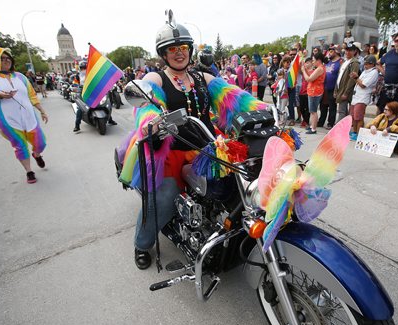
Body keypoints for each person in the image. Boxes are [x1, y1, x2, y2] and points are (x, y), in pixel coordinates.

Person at [117, 13, 269, 269]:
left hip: (209, 145)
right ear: (163, 54)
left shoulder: (202, 78)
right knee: (164, 197)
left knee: (247, 178)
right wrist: (152, 121)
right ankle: (142, 243)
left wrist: (263, 112)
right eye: (172, 49)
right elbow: (147, 100)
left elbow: (237, 99)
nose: (179, 53)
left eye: (183, 48)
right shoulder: (157, 78)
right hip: (172, 149)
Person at [0, 46, 48, 183]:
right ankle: (29, 171)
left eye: (8, 58)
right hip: (7, 119)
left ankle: (37, 154)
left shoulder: (20, 77)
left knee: (41, 142)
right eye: (2, 58)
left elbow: (32, 96)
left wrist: (42, 111)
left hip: (29, 116)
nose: (6, 61)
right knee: (19, 144)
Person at [73, 60, 117, 132]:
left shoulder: (93, 74)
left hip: (95, 91)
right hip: (84, 92)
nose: (84, 69)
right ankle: (77, 125)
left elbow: (99, 81)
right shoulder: (77, 76)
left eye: (85, 67)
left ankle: (110, 119)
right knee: (80, 108)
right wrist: (77, 88)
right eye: (82, 68)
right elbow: (75, 84)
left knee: (105, 104)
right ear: (80, 68)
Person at [348, 55, 379, 141]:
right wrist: (355, 78)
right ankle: (354, 132)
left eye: (367, 63)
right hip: (356, 96)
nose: (365, 65)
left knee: (359, 117)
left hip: (363, 97)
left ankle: (359, 134)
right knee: (353, 116)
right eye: (365, 63)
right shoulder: (365, 71)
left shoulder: (374, 72)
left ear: (372, 64)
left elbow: (363, 85)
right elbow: (358, 82)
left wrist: (356, 77)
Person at [334, 42, 360, 122]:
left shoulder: (354, 62)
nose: (348, 52)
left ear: (354, 51)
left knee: (342, 111)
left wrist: (346, 92)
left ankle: (338, 130)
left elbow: (352, 79)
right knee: (343, 111)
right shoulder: (345, 62)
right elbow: (339, 77)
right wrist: (335, 90)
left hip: (346, 91)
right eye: (346, 50)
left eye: (350, 50)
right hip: (340, 89)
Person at [302, 53, 326, 134]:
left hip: (315, 91)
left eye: (313, 60)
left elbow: (309, 79)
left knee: (313, 111)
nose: (312, 62)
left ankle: (314, 128)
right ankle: (312, 126)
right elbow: (310, 75)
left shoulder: (320, 69)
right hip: (313, 90)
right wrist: (305, 69)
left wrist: (303, 71)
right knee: (312, 110)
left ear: (318, 60)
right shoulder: (319, 68)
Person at [319, 46, 342, 129]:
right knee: (323, 105)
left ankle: (330, 123)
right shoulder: (328, 62)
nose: (329, 53)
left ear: (336, 51)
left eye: (331, 51)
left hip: (333, 87)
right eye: (329, 51)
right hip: (324, 86)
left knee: (332, 106)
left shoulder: (340, 62)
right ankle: (321, 121)